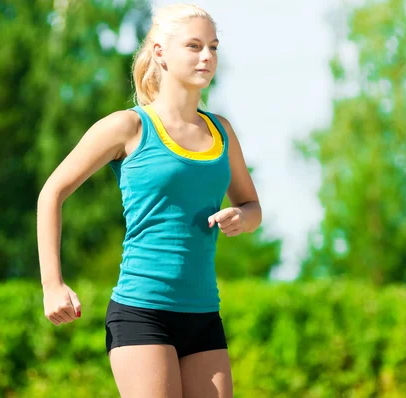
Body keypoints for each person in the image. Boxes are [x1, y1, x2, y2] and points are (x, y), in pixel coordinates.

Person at [36, 4, 261, 397]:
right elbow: (51, 193)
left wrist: (242, 218)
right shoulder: (129, 126)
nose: (206, 56)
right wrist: (52, 285)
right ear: (160, 52)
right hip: (142, 313)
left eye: (213, 46)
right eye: (193, 46)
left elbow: (252, 206)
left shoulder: (222, 131)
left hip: (205, 314)